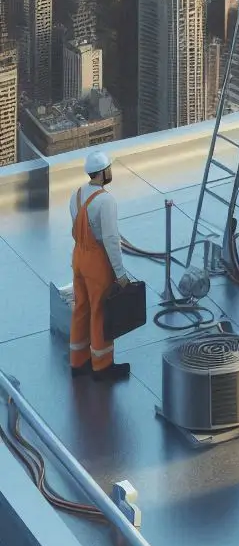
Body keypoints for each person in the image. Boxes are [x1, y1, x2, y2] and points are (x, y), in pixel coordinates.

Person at [69, 150, 131, 382]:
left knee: (81, 307)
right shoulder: (105, 201)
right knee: (100, 311)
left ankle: (78, 361)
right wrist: (120, 273)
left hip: (78, 257)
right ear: (103, 172)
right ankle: (102, 366)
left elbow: (77, 230)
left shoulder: (75, 195)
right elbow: (111, 240)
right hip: (96, 262)